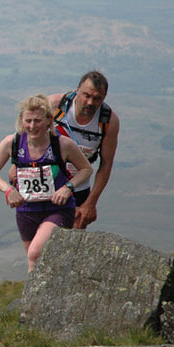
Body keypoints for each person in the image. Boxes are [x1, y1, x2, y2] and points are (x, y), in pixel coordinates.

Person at [0, 95, 93, 273]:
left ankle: (33, 300)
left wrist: (68, 188)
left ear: (49, 120)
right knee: (37, 265)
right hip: (26, 210)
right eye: (28, 121)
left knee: (34, 254)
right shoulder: (13, 143)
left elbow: (86, 169)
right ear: (21, 120)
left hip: (58, 209)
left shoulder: (62, 144)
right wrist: (8, 190)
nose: (32, 126)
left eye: (37, 121)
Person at [9, 71, 119, 229]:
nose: (90, 102)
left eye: (97, 98)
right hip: (42, 183)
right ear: (77, 90)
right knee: (38, 242)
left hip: (78, 186)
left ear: (105, 97)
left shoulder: (108, 121)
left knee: (71, 243)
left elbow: (106, 164)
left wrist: (91, 203)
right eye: (86, 95)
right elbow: (29, 130)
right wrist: (17, 164)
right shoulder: (54, 104)